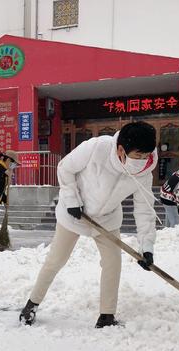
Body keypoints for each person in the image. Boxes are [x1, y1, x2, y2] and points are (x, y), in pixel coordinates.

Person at [19, 121, 158, 328]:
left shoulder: (145, 171)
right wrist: (72, 200)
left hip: (107, 219)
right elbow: (65, 168)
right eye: (138, 156)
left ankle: (106, 316)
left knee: (113, 264)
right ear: (121, 149)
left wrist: (146, 247)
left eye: (146, 155)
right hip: (74, 214)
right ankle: (31, 304)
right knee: (55, 260)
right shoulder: (97, 148)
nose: (143, 161)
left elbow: (144, 209)